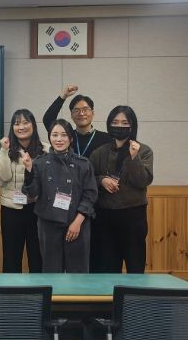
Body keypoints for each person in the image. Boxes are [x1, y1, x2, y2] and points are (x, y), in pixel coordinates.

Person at [22, 119, 97, 273]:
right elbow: (32, 193)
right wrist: (28, 170)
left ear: (70, 138)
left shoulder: (83, 164)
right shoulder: (39, 163)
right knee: (51, 271)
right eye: (55, 135)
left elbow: (90, 195)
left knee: (78, 271)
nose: (59, 139)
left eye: (64, 135)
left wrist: (77, 222)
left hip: (77, 223)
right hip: (48, 224)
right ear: (49, 137)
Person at [90, 106, 153, 273]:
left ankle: (134, 292)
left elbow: (143, 181)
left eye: (125, 123)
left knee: (135, 267)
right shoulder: (99, 152)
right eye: (115, 122)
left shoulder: (143, 150)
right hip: (105, 216)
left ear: (132, 125)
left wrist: (134, 157)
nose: (119, 126)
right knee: (108, 268)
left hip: (133, 216)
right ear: (109, 124)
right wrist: (101, 180)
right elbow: (87, 180)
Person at [0, 109, 48, 273]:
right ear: (12, 128)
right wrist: (4, 150)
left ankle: (39, 289)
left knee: (37, 256)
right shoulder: (7, 149)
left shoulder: (45, 150)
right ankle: (12, 289)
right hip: (11, 209)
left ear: (33, 125)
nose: (21, 127)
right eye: (17, 124)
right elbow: (4, 176)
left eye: (26, 123)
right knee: (11, 257)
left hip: (37, 210)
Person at [43, 84, 112, 158]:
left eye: (85, 110)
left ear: (92, 113)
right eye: (76, 110)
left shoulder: (106, 139)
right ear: (71, 115)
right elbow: (48, 119)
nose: (81, 113)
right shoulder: (67, 137)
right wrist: (62, 97)